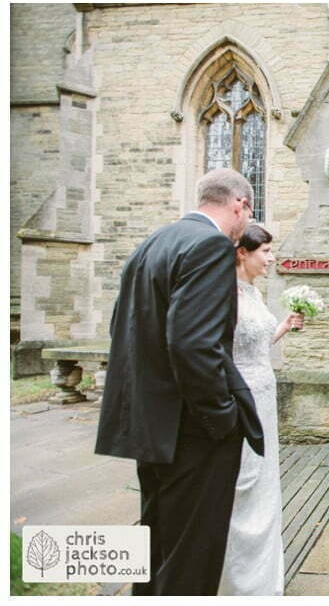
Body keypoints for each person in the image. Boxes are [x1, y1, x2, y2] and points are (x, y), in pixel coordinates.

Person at [95, 168, 264, 595]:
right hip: (192, 432)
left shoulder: (153, 242)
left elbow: (123, 326)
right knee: (192, 556)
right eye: (249, 212)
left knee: (156, 545)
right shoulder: (209, 246)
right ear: (239, 205)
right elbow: (194, 346)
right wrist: (222, 420)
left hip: (151, 426)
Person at [218, 224, 303, 595]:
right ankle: (238, 582)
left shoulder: (252, 292)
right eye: (265, 252)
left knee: (264, 482)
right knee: (243, 482)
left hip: (265, 397)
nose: (271, 259)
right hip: (241, 399)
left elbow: (256, 344)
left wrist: (283, 326)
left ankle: (264, 577)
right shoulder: (223, 296)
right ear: (242, 253)